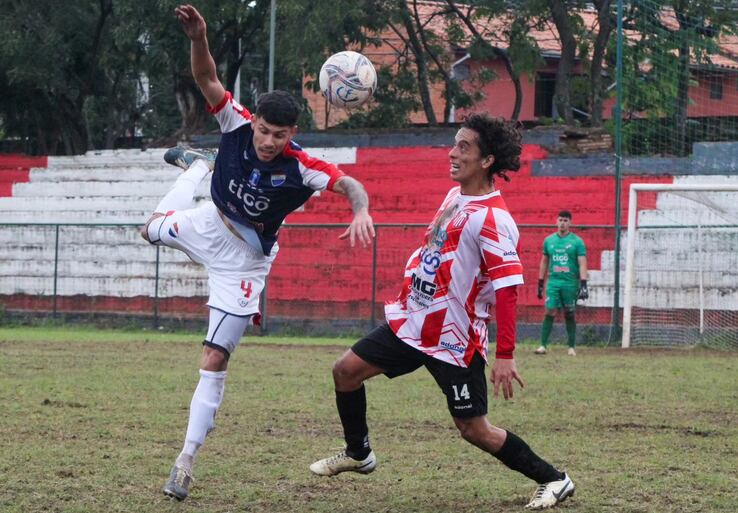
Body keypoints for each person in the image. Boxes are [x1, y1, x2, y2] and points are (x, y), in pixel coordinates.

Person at [141, 4, 375, 501]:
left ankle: (184, 462)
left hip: (244, 259)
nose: (268, 141)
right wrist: (199, 38)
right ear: (256, 123)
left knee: (214, 356)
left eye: (280, 135)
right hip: (210, 221)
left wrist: (360, 208)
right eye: (264, 131)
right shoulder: (236, 122)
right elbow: (206, 76)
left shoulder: (302, 166)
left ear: (292, 134)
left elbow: (348, 183)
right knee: (149, 230)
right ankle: (197, 171)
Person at [309, 114, 575, 510]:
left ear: (486, 161)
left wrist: (505, 355)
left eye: (464, 147)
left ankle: (555, 479)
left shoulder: (493, 218)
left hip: (453, 340)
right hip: (413, 322)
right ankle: (358, 453)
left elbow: (507, 290)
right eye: (455, 143)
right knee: (345, 372)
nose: (452, 152)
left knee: (474, 429)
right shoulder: (455, 197)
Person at [535, 211, 588, 356]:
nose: (563, 223)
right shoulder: (549, 241)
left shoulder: (577, 242)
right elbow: (544, 261)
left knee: (569, 313)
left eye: (565, 220)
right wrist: (540, 282)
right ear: (556, 221)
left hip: (570, 283)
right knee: (549, 309)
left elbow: (582, 263)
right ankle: (543, 345)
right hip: (553, 282)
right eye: (560, 220)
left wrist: (583, 284)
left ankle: (571, 346)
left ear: (570, 223)